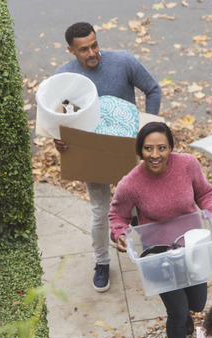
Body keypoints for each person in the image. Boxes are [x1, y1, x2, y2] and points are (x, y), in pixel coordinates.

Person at [109, 121, 212, 338]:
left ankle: (186, 313)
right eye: (148, 148)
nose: (155, 154)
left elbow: (205, 193)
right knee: (176, 312)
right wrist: (119, 234)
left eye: (162, 147)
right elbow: (117, 216)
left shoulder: (187, 165)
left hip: (192, 247)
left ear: (171, 147)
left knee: (196, 304)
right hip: (158, 256)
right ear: (140, 150)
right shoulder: (131, 184)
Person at [54, 22, 162, 292]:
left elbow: (154, 89)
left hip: (127, 149)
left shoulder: (123, 61)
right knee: (100, 212)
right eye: (83, 49)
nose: (92, 53)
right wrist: (60, 139)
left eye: (94, 45)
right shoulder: (65, 75)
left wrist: (147, 130)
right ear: (70, 50)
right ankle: (102, 262)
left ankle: (150, 253)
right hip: (92, 155)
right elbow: (58, 115)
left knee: (141, 206)